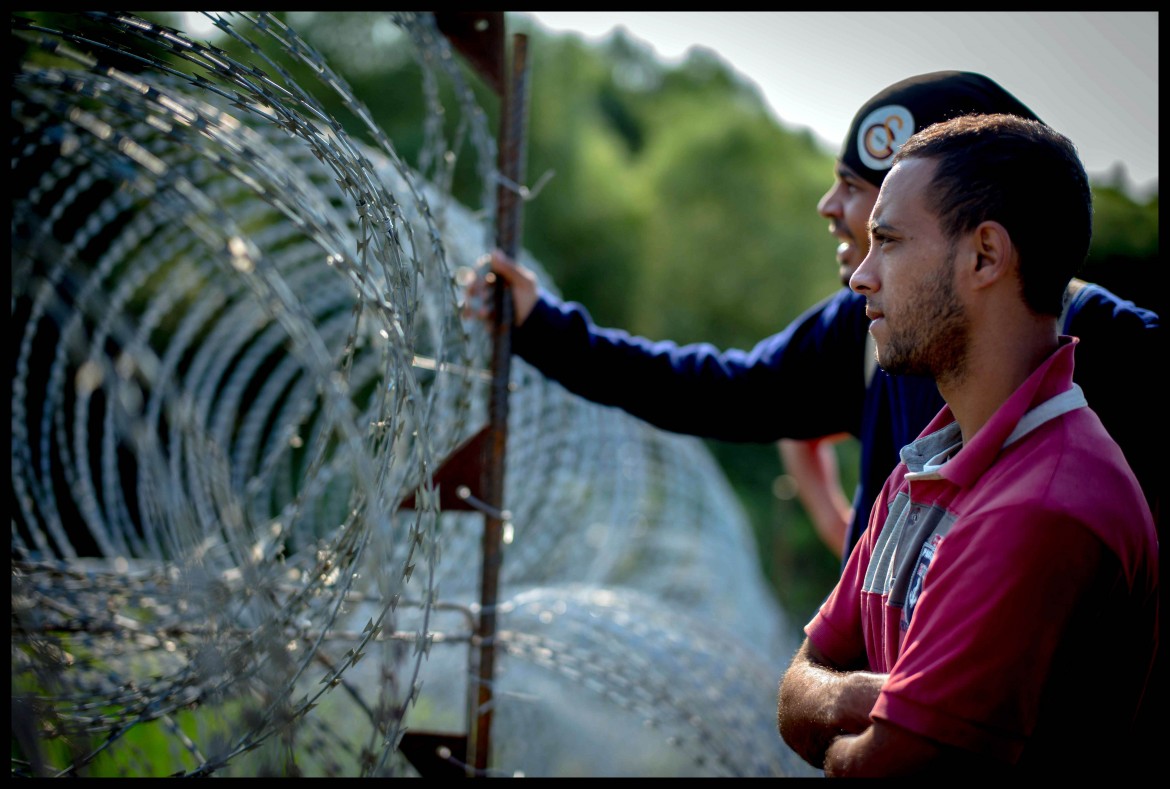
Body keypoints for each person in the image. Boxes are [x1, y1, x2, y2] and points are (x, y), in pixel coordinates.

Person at [467, 70, 1162, 571]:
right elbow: (722, 389)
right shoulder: (859, 331)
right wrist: (544, 328)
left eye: (859, 187)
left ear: (975, 235)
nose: (829, 206)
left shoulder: (1111, 347)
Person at [775, 112, 1158, 776]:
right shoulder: (926, 463)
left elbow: (879, 769)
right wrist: (865, 696)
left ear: (985, 254)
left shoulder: (1042, 507)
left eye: (888, 241)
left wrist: (839, 725)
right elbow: (796, 686)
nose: (861, 276)